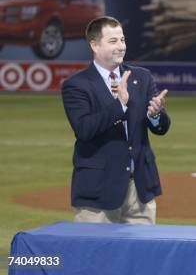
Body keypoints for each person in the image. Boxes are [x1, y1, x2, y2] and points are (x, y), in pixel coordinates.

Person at [61, 16, 171, 224]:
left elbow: (160, 128)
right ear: (94, 45)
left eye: (122, 40)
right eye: (113, 41)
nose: (121, 47)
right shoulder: (77, 85)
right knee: (94, 255)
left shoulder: (142, 77)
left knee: (142, 255)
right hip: (97, 191)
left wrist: (155, 115)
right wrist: (119, 105)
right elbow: (84, 129)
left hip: (140, 189)